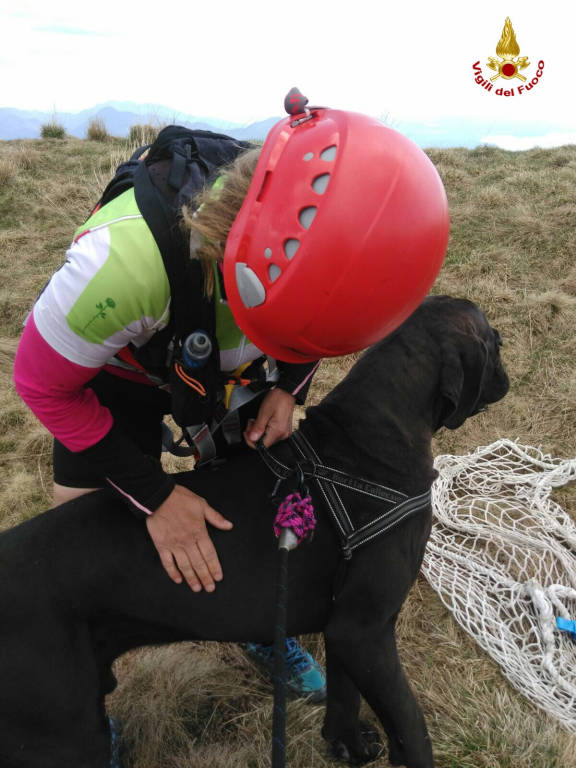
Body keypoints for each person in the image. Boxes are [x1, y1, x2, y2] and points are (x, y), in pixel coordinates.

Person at [13, 91, 450, 702]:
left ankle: (259, 627)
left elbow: (325, 317)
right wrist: (156, 497)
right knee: (77, 524)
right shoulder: (120, 267)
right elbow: (42, 385)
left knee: (255, 482)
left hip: (236, 358)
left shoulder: (318, 248)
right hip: (124, 370)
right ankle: (78, 690)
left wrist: (288, 389)